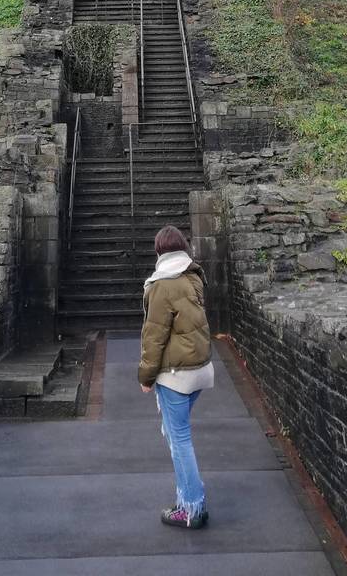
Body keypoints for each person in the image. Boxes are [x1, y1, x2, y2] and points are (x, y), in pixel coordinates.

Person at [138, 224, 214, 529]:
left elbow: (153, 337)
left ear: (159, 251)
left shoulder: (162, 285)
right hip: (199, 369)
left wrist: (146, 377)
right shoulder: (193, 276)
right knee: (175, 434)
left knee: (180, 440)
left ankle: (192, 507)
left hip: (175, 374)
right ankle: (187, 499)